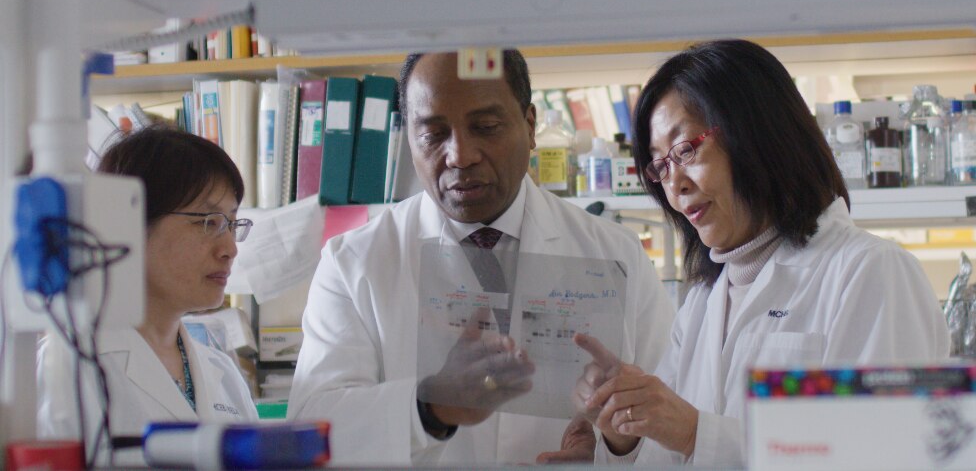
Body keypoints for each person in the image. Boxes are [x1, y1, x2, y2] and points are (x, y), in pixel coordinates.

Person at [574, 39, 950, 467]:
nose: (674, 185)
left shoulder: (871, 272)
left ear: (757, 135)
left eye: (685, 150)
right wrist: (622, 429)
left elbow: (883, 454)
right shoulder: (703, 301)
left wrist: (697, 432)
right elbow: (667, 455)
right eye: (660, 166)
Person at [287, 50, 675, 465]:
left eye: (485, 127)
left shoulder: (615, 253)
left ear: (530, 126)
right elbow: (311, 430)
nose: (460, 155)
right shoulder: (354, 262)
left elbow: (675, 417)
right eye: (433, 134)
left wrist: (615, 450)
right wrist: (429, 409)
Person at [37, 126, 259, 466]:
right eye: (209, 222)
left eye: (232, 223)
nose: (230, 249)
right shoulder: (68, 367)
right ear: (130, 225)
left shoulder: (223, 372)